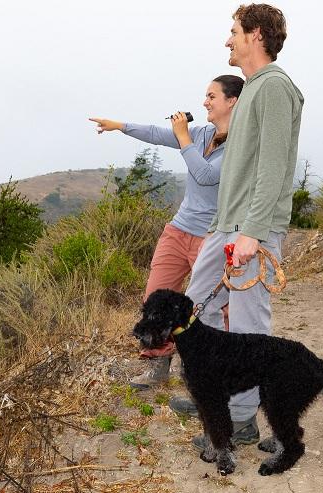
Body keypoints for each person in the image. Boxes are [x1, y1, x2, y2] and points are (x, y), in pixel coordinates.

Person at [169, 3, 304, 448]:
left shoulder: (275, 89)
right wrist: (227, 226)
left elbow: (273, 166)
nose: (227, 39)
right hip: (226, 225)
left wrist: (252, 231)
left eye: (233, 31)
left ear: (256, 34)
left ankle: (242, 420)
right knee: (195, 307)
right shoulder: (252, 90)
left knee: (247, 327)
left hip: (251, 228)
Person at [89, 74, 244, 389]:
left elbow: (203, 175)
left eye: (212, 96)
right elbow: (157, 134)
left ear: (232, 102)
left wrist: (183, 137)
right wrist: (119, 125)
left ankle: (211, 375)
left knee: (208, 309)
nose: (205, 102)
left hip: (212, 237)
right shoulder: (200, 133)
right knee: (155, 299)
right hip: (178, 230)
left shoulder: (240, 146)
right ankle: (158, 364)